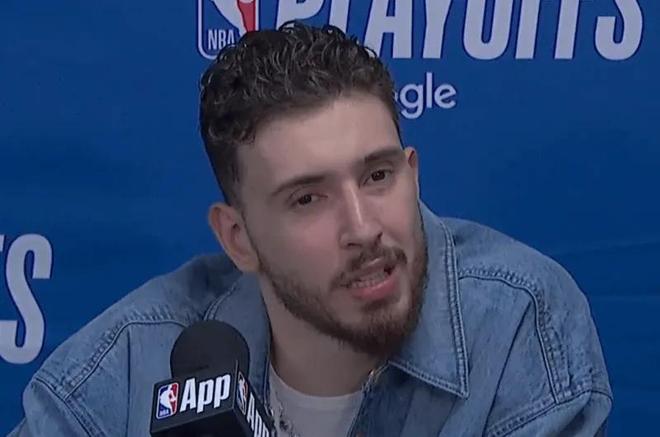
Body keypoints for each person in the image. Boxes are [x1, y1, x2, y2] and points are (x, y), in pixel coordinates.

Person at [9, 22, 612, 436]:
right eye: (307, 199)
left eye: (378, 176)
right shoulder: (134, 361)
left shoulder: (518, 324)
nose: (363, 228)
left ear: (412, 174)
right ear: (238, 238)